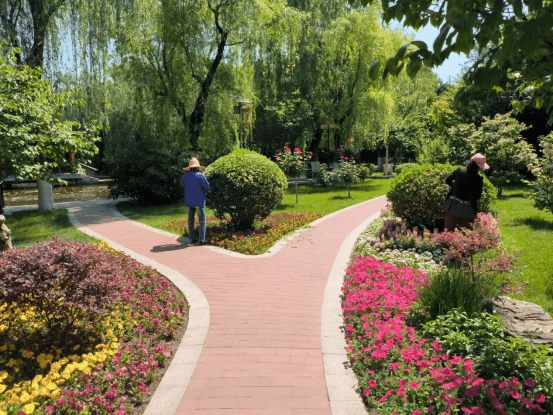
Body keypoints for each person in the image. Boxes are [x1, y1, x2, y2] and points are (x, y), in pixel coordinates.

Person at [443, 153, 489, 232]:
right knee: (467, 236)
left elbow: (448, 180)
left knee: (448, 233)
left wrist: (455, 188)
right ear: (479, 167)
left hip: (452, 205)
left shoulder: (460, 170)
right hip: (467, 209)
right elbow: (477, 196)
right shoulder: (478, 179)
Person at [180, 157, 210, 246]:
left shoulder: (185, 176)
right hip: (199, 201)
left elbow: (182, 183)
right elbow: (207, 187)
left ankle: (192, 238)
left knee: (190, 220)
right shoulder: (200, 175)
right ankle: (202, 239)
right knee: (202, 220)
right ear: (197, 167)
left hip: (189, 201)